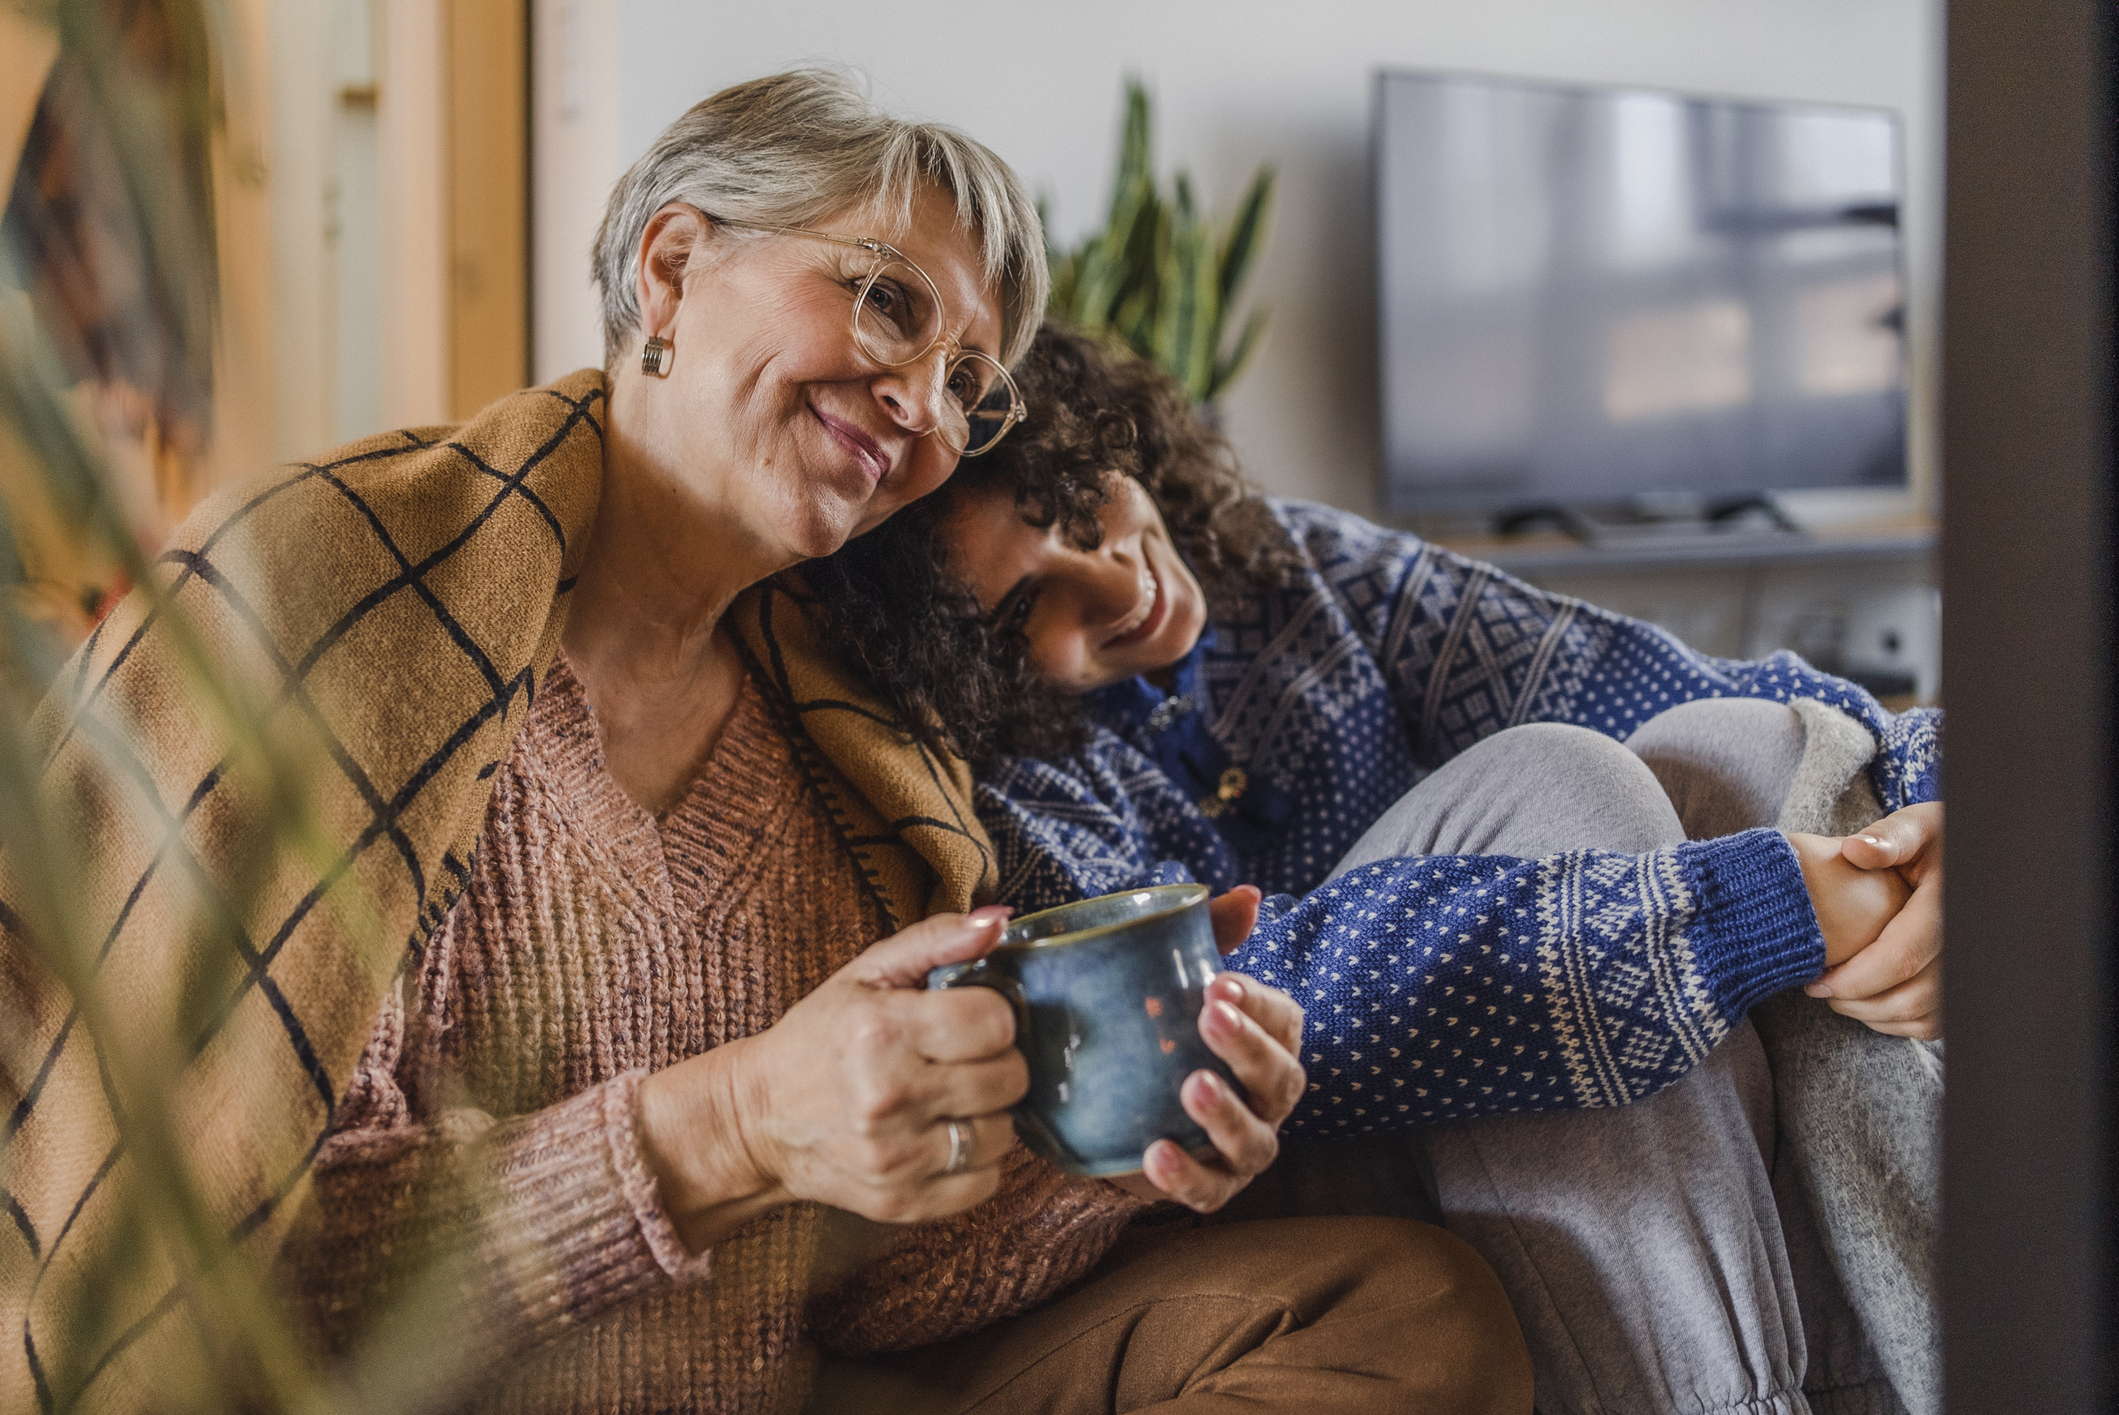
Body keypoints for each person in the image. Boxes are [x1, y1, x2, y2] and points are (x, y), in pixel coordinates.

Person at [0, 77, 1531, 1414]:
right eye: (886, 301)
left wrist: (1107, 1133)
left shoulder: (848, 717)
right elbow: (217, 1273)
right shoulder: (324, 594)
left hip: (782, 1384)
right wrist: (723, 1126)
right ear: (671, 265)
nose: (923, 405)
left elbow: (857, 1283)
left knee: (1400, 1309)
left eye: (968, 388)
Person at [813, 325, 1946, 1415]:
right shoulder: (1003, 790)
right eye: (1026, 611)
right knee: (1556, 791)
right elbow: (1228, 1019)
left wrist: (1946, 823)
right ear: (964, 668)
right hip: (1272, 1152)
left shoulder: (1283, 563)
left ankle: (1959, 1361)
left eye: (1075, 508)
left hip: (1508, 1063)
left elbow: (1658, 680)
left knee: (1740, 753)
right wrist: (1737, 909)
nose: (1114, 582)